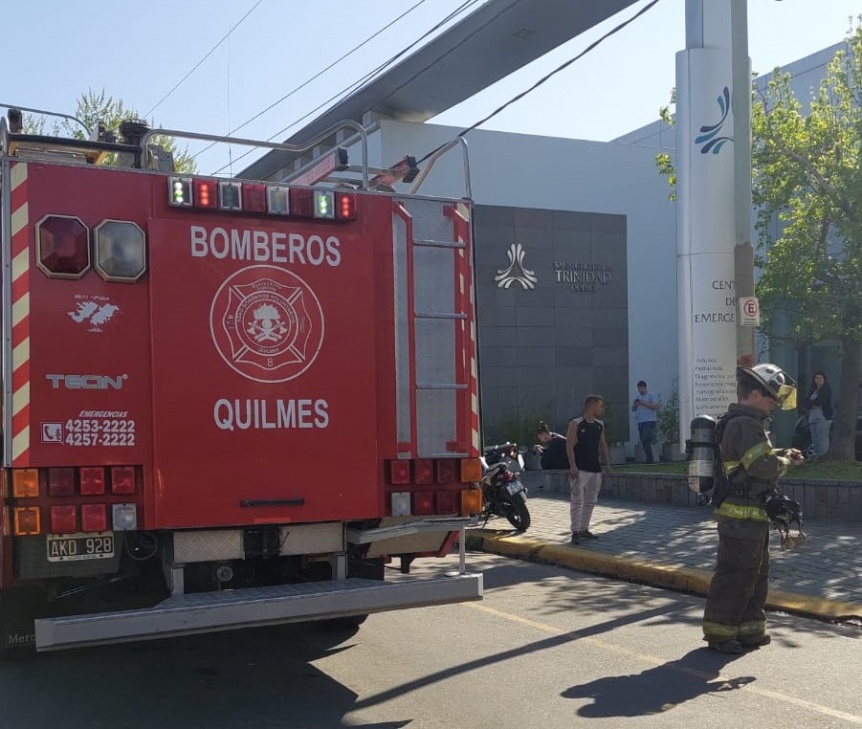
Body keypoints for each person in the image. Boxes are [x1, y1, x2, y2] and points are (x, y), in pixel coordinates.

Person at [702, 363, 804, 654]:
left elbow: (754, 458)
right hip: (740, 516)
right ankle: (720, 633)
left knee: (755, 573)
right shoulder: (745, 424)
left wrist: (779, 452)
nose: (774, 403)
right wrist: (785, 463)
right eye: (771, 397)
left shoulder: (745, 423)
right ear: (756, 394)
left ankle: (749, 630)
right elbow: (760, 466)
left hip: (751, 514)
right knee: (735, 573)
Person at [566, 395, 611, 545]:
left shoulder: (599, 425)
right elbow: (569, 445)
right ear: (592, 406)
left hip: (595, 468)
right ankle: (575, 531)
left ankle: (584, 528)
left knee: (591, 500)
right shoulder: (576, 423)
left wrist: (607, 464)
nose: (601, 409)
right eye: (600, 406)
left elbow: (603, 444)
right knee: (577, 501)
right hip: (580, 468)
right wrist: (573, 465)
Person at [805, 371, 833, 458]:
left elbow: (820, 401)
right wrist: (811, 403)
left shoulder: (826, 390)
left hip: (822, 416)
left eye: (820, 378)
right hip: (812, 415)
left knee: (822, 438)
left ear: (824, 380)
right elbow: (806, 402)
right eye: (816, 378)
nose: (818, 380)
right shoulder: (813, 391)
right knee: (815, 437)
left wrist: (813, 403)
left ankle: (823, 456)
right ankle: (816, 456)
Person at [631, 380, 659, 464]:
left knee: (645, 439)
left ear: (645, 388)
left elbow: (655, 407)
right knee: (643, 441)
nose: (640, 390)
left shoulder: (651, 395)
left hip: (649, 420)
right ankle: (649, 459)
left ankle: (650, 460)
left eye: (642, 388)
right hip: (640, 421)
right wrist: (635, 404)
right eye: (639, 389)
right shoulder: (638, 396)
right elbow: (633, 409)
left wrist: (644, 403)